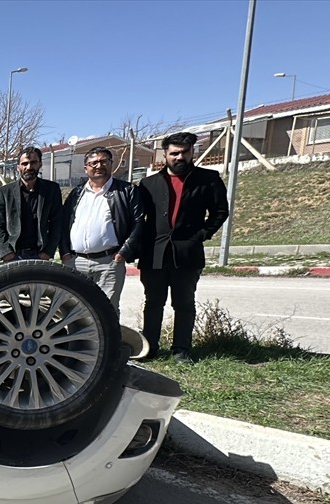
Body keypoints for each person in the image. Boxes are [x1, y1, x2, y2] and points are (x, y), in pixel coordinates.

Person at [136, 132, 230, 363]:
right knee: (153, 303)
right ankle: (150, 347)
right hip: (155, 254)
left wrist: (202, 234)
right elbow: (139, 219)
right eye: (174, 153)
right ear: (165, 155)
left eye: (184, 153)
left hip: (187, 253)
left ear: (192, 153)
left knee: (184, 303)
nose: (179, 157)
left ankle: (181, 350)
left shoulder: (208, 179)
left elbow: (220, 211)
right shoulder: (149, 184)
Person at [59, 146, 145, 310]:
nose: (99, 166)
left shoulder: (127, 191)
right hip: (76, 262)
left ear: (111, 164)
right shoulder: (77, 193)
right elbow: (63, 224)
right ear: (86, 168)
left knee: (107, 310)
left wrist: (124, 252)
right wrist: (64, 252)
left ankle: (109, 337)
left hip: (109, 263)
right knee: (72, 309)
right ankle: (79, 337)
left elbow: (138, 222)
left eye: (103, 161)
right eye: (93, 163)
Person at [0, 146, 62, 262]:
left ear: (40, 164)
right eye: (25, 163)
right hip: (13, 254)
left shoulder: (51, 190)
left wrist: (48, 251)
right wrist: (5, 252)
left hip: (40, 254)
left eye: (33, 162)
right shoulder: (5, 192)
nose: (29, 167)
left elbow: (57, 222)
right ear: (18, 167)